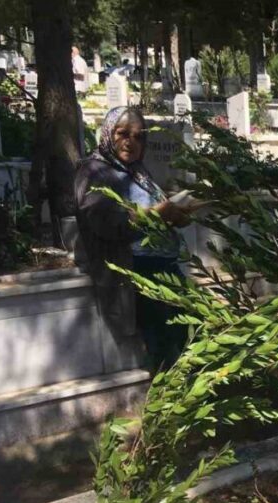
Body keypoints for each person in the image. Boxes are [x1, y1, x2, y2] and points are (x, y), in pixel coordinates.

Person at [74, 106, 197, 370]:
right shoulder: (93, 172)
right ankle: (167, 403)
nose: (131, 141)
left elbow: (156, 213)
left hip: (166, 267)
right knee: (165, 345)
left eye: (139, 136)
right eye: (123, 133)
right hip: (137, 271)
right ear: (108, 134)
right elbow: (106, 222)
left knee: (191, 333)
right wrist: (157, 214)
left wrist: (176, 216)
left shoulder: (139, 172)